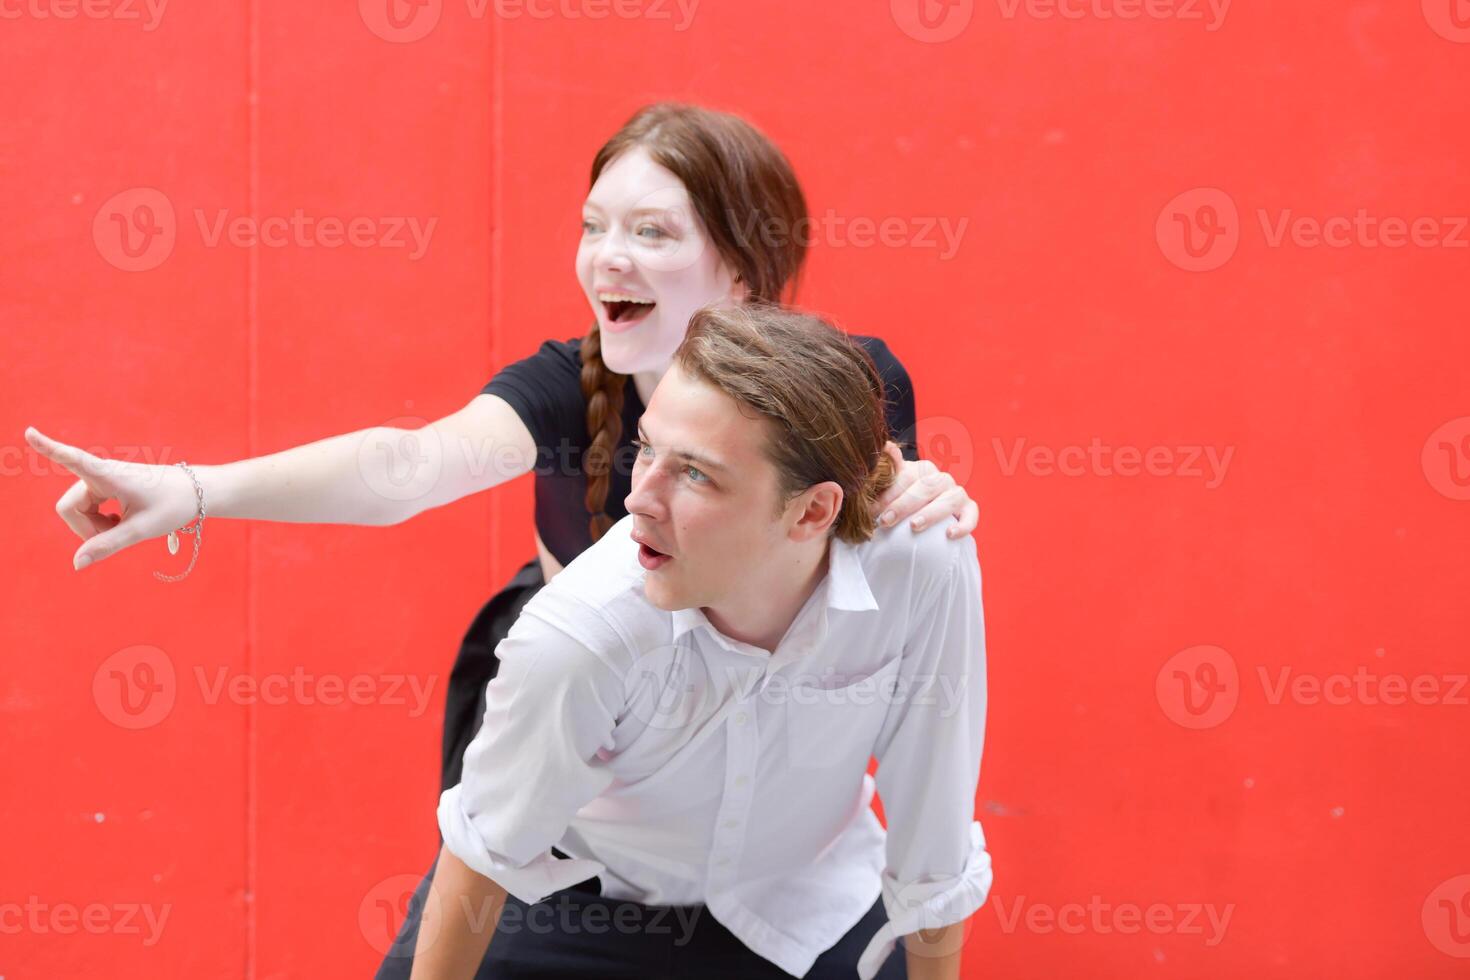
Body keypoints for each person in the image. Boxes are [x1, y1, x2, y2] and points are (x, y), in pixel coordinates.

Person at [26, 103, 981, 800]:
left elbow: (879, 547)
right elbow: (407, 468)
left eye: (652, 233)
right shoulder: (567, 386)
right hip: (576, 747)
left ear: (739, 269)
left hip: (746, 765)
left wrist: (922, 496)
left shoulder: (855, 386)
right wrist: (191, 491)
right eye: (593, 226)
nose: (607, 256)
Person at [383, 302, 993, 980]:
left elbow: (933, 843)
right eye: (647, 448)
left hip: (807, 899)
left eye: (696, 473)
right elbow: (485, 850)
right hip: (580, 898)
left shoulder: (923, 565)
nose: (639, 498)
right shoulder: (581, 631)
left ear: (814, 509)